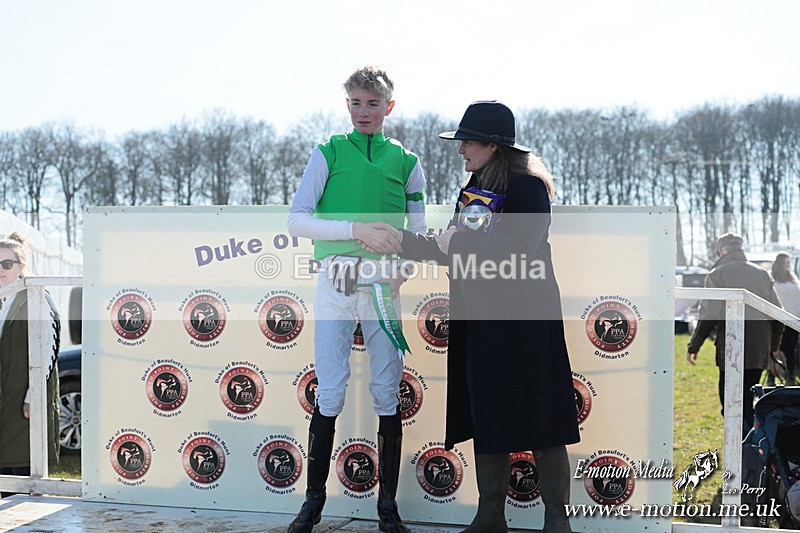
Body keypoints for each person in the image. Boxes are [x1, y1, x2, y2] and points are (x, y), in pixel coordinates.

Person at [380, 101, 580, 532]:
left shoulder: (529, 188)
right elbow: (450, 246)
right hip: (481, 321)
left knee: (542, 417)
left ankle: (556, 522)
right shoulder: (473, 186)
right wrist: (402, 241)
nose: (460, 151)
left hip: (526, 321)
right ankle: (490, 515)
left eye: (466, 142)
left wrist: (455, 245)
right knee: (487, 412)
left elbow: (515, 251)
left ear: (491, 145)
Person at [285, 66, 426, 533]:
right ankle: (313, 505)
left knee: (388, 391)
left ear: (389, 106)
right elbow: (298, 220)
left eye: (372, 103)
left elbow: (419, 232)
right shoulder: (327, 152)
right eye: (356, 103)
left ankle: (388, 509)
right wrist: (355, 231)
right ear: (347, 104)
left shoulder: (407, 161)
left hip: (383, 284)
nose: (364, 112)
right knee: (330, 390)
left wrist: (403, 272)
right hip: (336, 280)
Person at [686, 233, 784, 432]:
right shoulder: (762, 274)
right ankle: (751, 450)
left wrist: (694, 346)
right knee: (750, 402)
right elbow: (777, 315)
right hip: (759, 350)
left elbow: (708, 314)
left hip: (732, 348)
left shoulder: (717, 274)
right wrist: (773, 348)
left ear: (721, 251)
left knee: (730, 403)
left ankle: (740, 451)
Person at [0, 231, 61, 497]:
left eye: (6, 263)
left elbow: (49, 348)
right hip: (5, 398)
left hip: (22, 402)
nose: (0, 270)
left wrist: (32, 397)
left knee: (23, 476)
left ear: (21, 266)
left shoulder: (35, 296)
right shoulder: (4, 298)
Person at [770, 252, 799, 385]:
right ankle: (772, 376)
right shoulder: (772, 279)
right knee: (776, 350)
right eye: (786, 262)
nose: (789, 265)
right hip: (778, 320)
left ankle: (789, 376)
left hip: (793, 320)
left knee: (790, 350)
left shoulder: (792, 278)